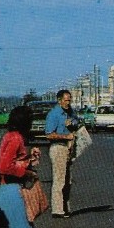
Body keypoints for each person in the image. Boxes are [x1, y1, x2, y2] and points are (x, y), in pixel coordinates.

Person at [45, 89, 81, 218]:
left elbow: (77, 122)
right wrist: (66, 137)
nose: (68, 102)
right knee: (59, 179)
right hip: (58, 147)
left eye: (70, 100)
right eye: (66, 100)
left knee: (68, 180)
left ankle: (65, 207)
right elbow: (49, 134)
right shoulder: (54, 114)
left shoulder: (70, 112)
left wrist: (72, 123)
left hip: (69, 149)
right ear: (59, 100)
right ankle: (57, 210)